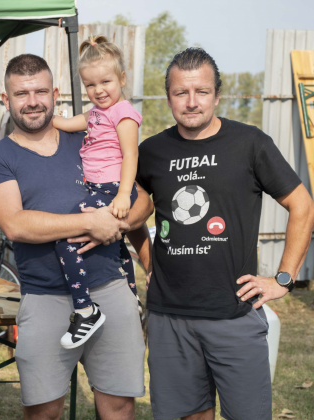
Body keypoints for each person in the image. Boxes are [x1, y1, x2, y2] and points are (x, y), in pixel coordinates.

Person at [137, 47, 314, 420]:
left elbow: (303, 205)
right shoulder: (151, 152)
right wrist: (150, 260)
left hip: (234, 315)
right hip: (169, 318)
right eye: (180, 92)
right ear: (168, 95)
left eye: (201, 91)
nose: (191, 102)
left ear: (217, 94)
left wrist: (283, 278)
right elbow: (131, 214)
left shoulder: (250, 144)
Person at [0, 53, 152, 420]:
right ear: (6, 100)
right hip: (45, 298)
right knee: (43, 411)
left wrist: (116, 224)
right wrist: (90, 224)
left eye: (40, 90)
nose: (33, 101)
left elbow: (143, 201)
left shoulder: (87, 139)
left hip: (110, 288)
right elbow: (16, 224)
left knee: (119, 405)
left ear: (55, 93)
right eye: (21, 93)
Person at [51, 35, 142, 349]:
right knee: (118, 248)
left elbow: (131, 155)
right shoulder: (94, 114)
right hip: (99, 188)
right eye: (90, 85)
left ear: (122, 79)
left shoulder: (124, 113)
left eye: (106, 81)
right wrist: (45, 117)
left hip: (114, 188)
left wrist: (122, 195)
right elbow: (68, 123)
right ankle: (133, 295)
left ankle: (85, 310)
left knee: (67, 240)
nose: (99, 90)